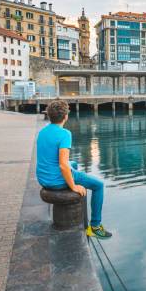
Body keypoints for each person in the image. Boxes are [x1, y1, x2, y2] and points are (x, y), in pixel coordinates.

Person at [36, 100, 112, 238]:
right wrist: (74, 186)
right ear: (65, 116)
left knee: (74, 163)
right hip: (56, 180)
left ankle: (75, 177)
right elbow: (63, 165)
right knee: (98, 185)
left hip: (43, 178)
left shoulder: (42, 132)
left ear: (49, 115)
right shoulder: (65, 134)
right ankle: (95, 226)